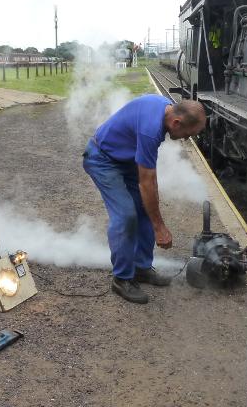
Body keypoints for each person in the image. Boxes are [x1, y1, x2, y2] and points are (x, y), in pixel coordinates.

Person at [83, 95, 207, 304]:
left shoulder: (165, 109)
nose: (186, 139)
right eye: (188, 134)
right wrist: (160, 228)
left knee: (145, 209)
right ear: (176, 123)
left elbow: (149, 180)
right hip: (102, 160)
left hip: (126, 160)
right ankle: (121, 279)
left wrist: (154, 216)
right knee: (126, 215)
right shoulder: (150, 130)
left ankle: (141, 268)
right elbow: (147, 183)